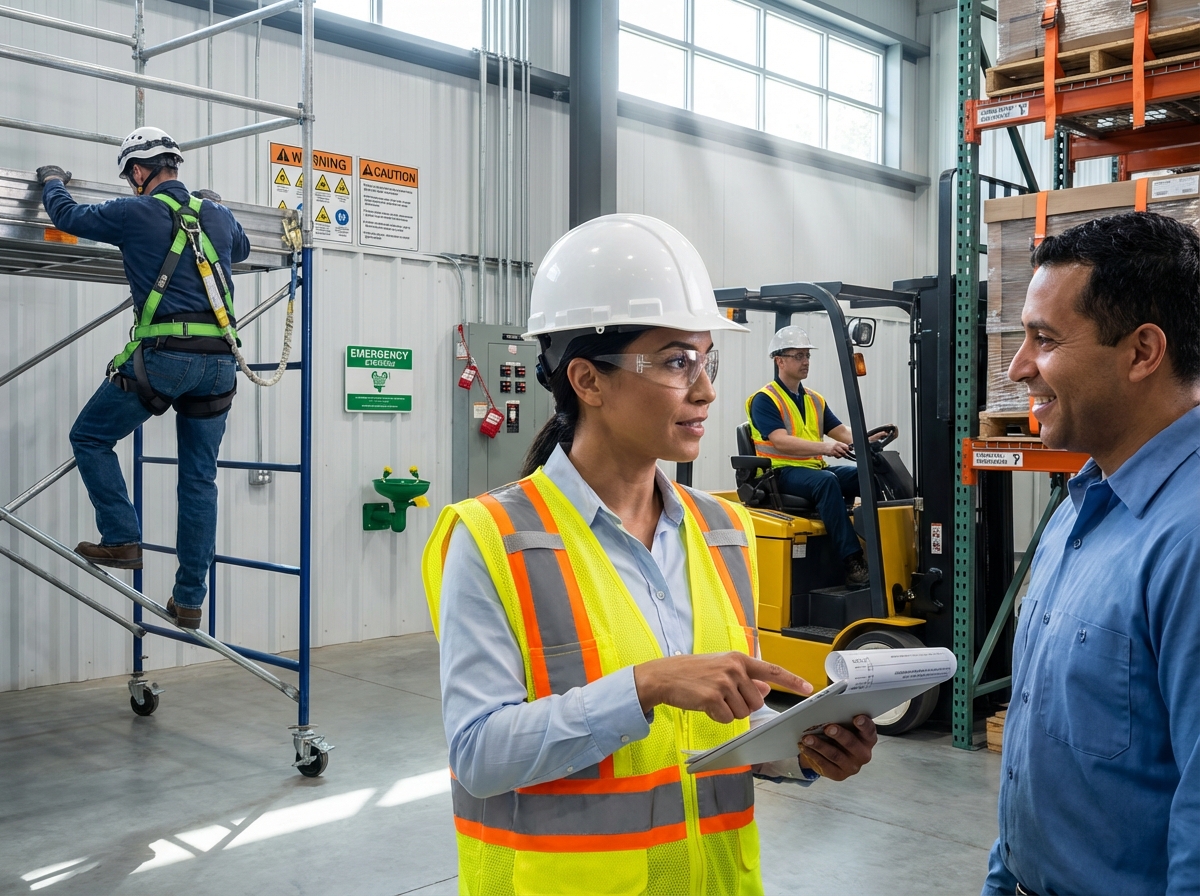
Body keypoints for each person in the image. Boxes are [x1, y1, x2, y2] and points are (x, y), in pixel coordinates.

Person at [423, 214, 878, 896]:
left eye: (706, 359)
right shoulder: (491, 539)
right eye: (675, 361)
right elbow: (480, 755)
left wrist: (801, 749)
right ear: (588, 379)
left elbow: (722, 723)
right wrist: (645, 686)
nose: (705, 390)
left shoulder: (726, 530)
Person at [983, 211, 1200, 896]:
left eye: (1043, 340)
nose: (1018, 368)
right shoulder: (1080, 503)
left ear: (1141, 353)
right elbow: (1034, 753)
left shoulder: (1189, 539)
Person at [36, 127, 250, 630]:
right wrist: (213, 204)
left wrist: (52, 180)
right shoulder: (214, 215)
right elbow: (238, 247)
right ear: (172, 165)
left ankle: (121, 538)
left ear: (138, 171)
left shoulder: (134, 212)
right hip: (220, 363)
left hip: (166, 359)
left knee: (89, 436)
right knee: (199, 479)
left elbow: (66, 216)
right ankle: (190, 600)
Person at [745, 327, 893, 586]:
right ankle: (852, 562)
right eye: (798, 356)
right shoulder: (765, 399)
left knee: (867, 475)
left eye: (807, 356)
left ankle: (886, 548)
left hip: (812, 469)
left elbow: (841, 432)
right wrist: (825, 447)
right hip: (778, 474)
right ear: (779, 360)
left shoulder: (814, 399)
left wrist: (867, 438)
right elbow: (780, 441)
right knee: (826, 482)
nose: (805, 362)